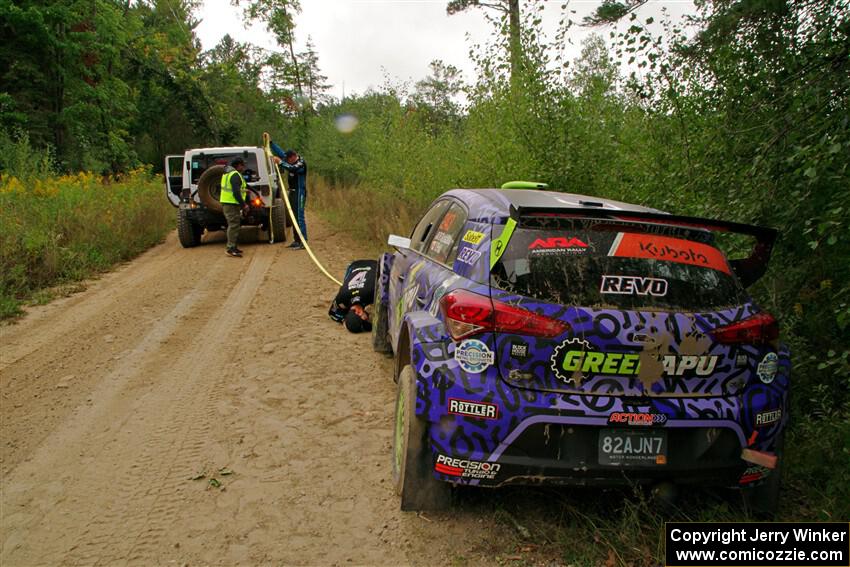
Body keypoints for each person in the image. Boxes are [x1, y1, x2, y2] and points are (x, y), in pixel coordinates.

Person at [270, 141, 308, 250]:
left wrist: (281, 163)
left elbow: (292, 168)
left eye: (288, 159)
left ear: (293, 157)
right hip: (292, 192)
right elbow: (281, 153)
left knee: (299, 217)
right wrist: (271, 143)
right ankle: (296, 240)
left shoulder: (301, 163)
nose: (287, 161)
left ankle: (303, 241)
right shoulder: (289, 159)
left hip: (300, 193)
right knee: (293, 217)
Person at [328, 259, 378, 333]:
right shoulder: (341, 299)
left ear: (357, 312)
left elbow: (332, 314)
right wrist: (345, 320)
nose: (366, 319)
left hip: (375, 264)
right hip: (355, 265)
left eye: (363, 319)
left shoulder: (372, 296)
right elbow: (332, 314)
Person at [220, 157, 249, 258]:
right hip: (230, 203)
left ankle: (233, 247)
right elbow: (236, 192)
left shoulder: (228, 173)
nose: (244, 167)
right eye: (242, 165)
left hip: (229, 202)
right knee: (233, 225)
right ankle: (230, 248)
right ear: (238, 165)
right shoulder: (235, 175)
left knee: (235, 224)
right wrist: (244, 205)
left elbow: (239, 188)